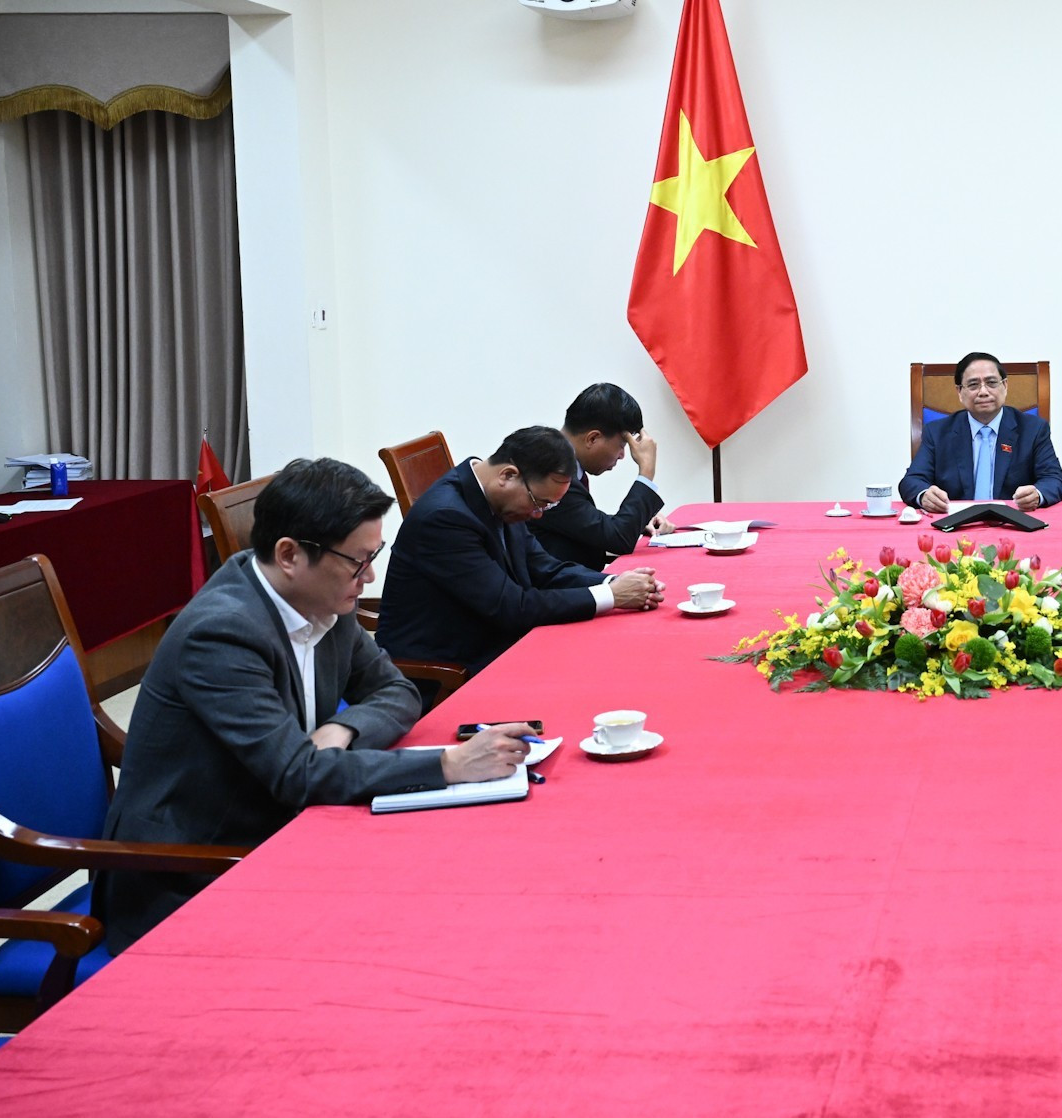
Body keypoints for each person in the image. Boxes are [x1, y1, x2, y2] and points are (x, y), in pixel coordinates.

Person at [94, 458, 533, 953]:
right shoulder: (220, 634)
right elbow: (297, 776)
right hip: (192, 872)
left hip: (277, 827)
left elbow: (397, 692)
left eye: (373, 556)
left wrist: (344, 729)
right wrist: (447, 765)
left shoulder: (319, 594)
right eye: (358, 561)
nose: (368, 578)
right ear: (289, 554)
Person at [375, 426, 663, 674]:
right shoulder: (445, 518)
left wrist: (613, 582)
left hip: (496, 641)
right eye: (539, 503)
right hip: (451, 668)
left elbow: (545, 568)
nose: (539, 515)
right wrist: (612, 596)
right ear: (508, 475)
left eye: (548, 507)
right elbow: (512, 607)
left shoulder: (498, 497)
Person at [899, 352, 1062, 513]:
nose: (983, 392)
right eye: (973, 385)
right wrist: (925, 495)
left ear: (1005, 386)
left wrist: (1037, 494)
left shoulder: (1033, 429)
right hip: (956, 527)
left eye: (992, 383)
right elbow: (912, 481)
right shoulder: (937, 432)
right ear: (959, 392)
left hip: (1014, 526)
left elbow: (1055, 479)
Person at [531, 382, 675, 571]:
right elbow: (618, 539)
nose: (623, 455)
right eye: (622, 445)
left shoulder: (557, 456)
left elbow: (581, 522)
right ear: (593, 438)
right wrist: (646, 471)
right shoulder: (552, 473)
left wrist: (638, 522)